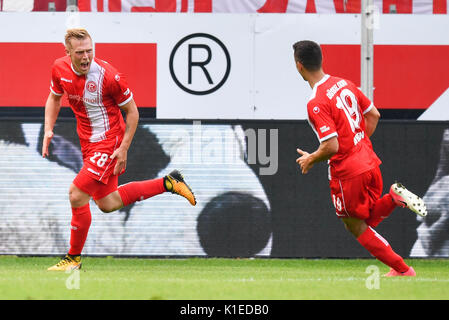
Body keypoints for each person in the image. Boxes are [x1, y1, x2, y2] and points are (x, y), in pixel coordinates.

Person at [43, 28, 196, 271]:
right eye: (80, 52)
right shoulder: (58, 68)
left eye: (90, 51)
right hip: (88, 143)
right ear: (68, 52)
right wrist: (48, 129)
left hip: (109, 141)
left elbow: (133, 112)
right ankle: (169, 183)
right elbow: (54, 98)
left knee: (76, 194)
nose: (86, 57)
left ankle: (73, 259)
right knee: (108, 203)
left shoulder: (109, 76)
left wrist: (123, 148)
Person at [293, 40, 427, 277]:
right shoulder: (344, 83)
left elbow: (332, 145)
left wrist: (312, 158)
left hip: (348, 172)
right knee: (368, 219)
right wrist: (357, 143)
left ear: (299, 66)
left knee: (356, 225)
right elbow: (374, 115)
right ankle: (394, 197)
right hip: (369, 160)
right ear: (321, 59)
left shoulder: (316, 102)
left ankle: (403, 270)